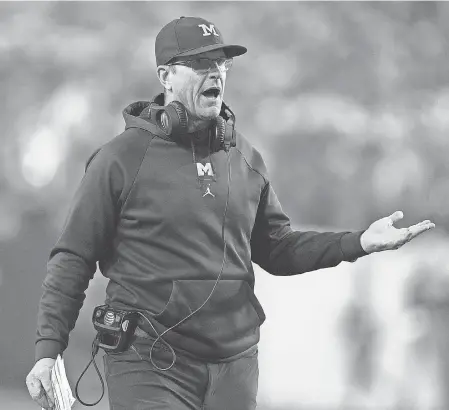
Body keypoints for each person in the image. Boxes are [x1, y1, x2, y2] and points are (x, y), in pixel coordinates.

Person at [26, 16, 435, 410]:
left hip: (235, 366)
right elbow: (73, 257)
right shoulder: (119, 160)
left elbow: (278, 249)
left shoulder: (246, 158)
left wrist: (358, 242)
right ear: (165, 76)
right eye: (200, 63)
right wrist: (49, 350)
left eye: (222, 63)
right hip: (147, 359)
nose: (216, 73)